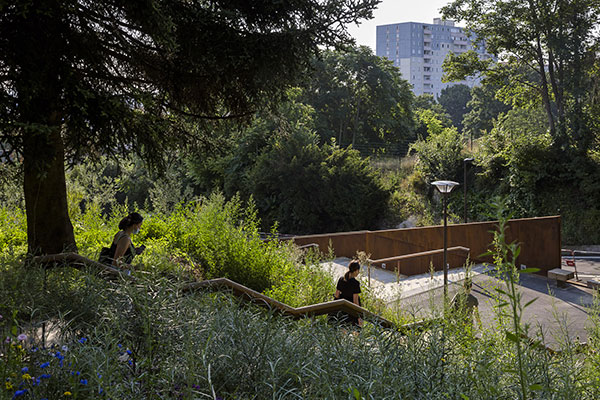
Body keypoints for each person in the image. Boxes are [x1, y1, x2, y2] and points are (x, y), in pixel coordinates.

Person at [333, 260, 363, 327]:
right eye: (358, 270)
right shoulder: (355, 283)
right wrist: (359, 316)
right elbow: (355, 301)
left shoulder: (341, 279)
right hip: (351, 309)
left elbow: (337, 295)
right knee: (356, 330)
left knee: (343, 328)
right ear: (356, 271)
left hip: (343, 308)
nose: (358, 272)